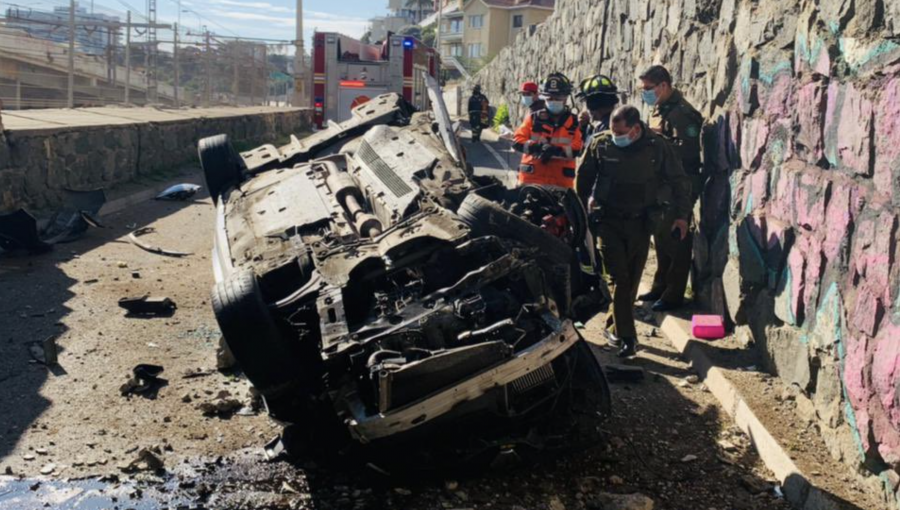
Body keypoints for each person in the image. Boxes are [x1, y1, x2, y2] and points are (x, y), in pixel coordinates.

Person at [575, 105, 691, 357]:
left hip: (641, 222)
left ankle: (613, 325)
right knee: (619, 278)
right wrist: (581, 216)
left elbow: (679, 181)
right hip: (608, 221)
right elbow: (582, 182)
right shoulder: (601, 145)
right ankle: (629, 338)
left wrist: (682, 217)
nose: (616, 136)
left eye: (621, 131)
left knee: (631, 279)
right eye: (613, 131)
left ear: (636, 129)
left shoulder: (657, 147)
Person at [636, 65, 705, 312]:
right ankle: (660, 286)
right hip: (661, 185)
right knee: (661, 236)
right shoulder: (661, 108)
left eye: (648, 88)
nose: (645, 93)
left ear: (663, 86)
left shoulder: (682, 114)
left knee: (676, 238)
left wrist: (655, 139)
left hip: (679, 184)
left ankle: (674, 294)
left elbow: (686, 154)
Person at [512, 72, 583, 188]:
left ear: (566, 98)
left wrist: (556, 150)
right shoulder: (533, 118)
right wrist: (536, 147)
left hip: (560, 184)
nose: (553, 100)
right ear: (544, 97)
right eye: (549, 97)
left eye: (558, 97)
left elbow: (577, 148)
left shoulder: (573, 123)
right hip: (530, 181)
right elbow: (517, 141)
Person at [575, 74, 620, 144]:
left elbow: (588, 151)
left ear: (592, 105)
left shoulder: (603, 130)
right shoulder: (622, 123)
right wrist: (584, 127)